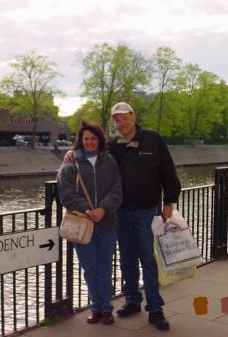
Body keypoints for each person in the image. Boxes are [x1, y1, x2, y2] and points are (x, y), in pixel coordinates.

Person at [63, 102, 181, 331]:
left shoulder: (153, 139)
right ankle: (133, 300)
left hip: (146, 211)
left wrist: (169, 201)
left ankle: (155, 309)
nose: (121, 123)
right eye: (117, 120)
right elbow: (91, 149)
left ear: (133, 117)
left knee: (148, 259)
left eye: (125, 118)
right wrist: (72, 152)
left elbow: (168, 171)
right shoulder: (113, 146)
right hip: (121, 213)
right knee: (126, 259)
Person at [57, 121, 122, 325]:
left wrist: (103, 208)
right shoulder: (70, 163)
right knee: (89, 268)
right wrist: (87, 209)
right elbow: (65, 193)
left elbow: (117, 190)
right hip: (82, 224)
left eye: (93, 138)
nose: (90, 142)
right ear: (81, 140)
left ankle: (107, 309)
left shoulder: (109, 161)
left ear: (99, 140)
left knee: (105, 267)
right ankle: (96, 307)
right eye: (86, 138)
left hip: (107, 223)